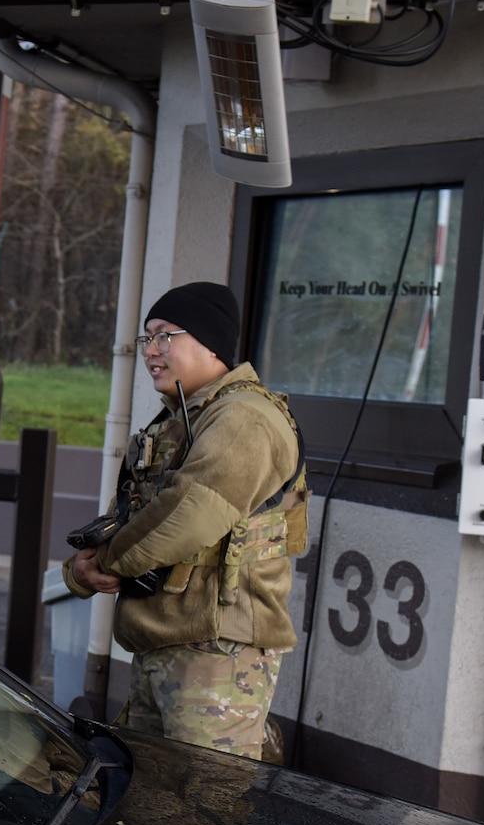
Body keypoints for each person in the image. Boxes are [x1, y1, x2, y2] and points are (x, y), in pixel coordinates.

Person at [64, 282, 306, 761]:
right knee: (154, 806)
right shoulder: (180, 419)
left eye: (164, 337)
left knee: (200, 809)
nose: (151, 352)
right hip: (169, 641)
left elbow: (187, 515)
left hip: (216, 652)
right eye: (146, 338)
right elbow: (135, 514)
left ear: (210, 341)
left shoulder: (243, 417)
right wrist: (82, 569)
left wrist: (96, 568)